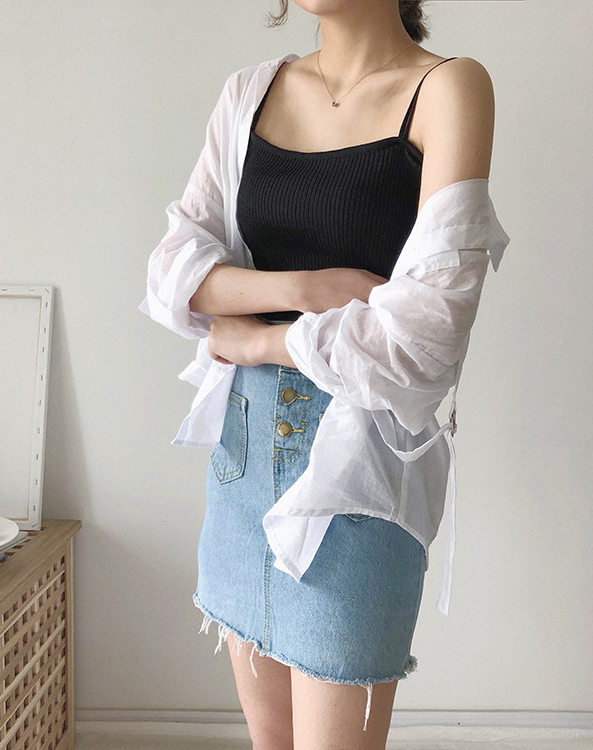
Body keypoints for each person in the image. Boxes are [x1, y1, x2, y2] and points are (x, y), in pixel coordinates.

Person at [140, 1, 510, 748]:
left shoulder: (448, 88)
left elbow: (426, 337)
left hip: (359, 465)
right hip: (242, 461)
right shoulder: (250, 92)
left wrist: (259, 342)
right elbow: (172, 275)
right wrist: (310, 289)